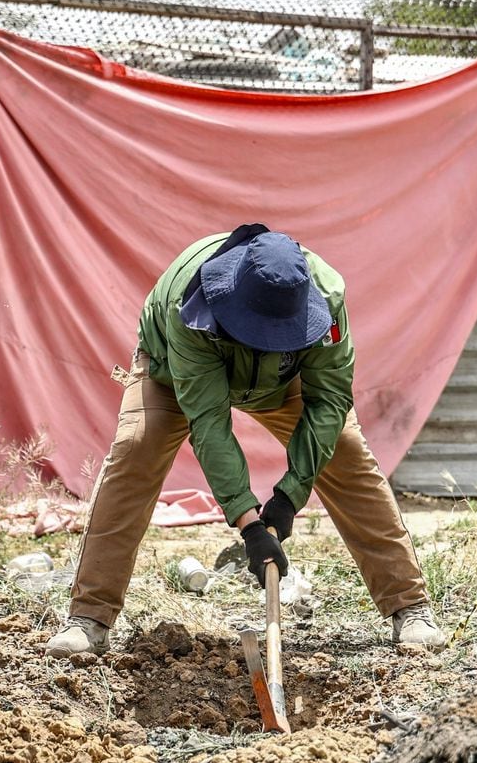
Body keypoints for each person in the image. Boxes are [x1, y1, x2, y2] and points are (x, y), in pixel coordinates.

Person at [45, 224, 446, 656]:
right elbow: (209, 422)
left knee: (347, 453)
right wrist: (249, 523)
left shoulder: (327, 299)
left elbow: (329, 400)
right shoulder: (190, 304)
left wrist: (290, 496)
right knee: (135, 450)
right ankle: (89, 617)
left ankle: (410, 606)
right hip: (174, 373)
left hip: (281, 380)